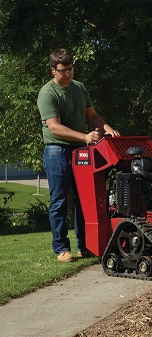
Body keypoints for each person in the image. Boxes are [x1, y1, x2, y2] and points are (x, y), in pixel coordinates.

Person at [37, 48, 121, 262]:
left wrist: (107, 127)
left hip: (80, 151)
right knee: (59, 201)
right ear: (52, 71)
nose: (68, 74)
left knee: (84, 200)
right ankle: (61, 249)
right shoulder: (48, 93)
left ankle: (85, 246)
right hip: (57, 150)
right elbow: (54, 127)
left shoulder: (80, 88)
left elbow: (92, 115)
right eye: (63, 71)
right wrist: (84, 137)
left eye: (71, 69)